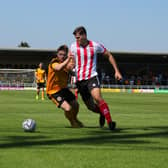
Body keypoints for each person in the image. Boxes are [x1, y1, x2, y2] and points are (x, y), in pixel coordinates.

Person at [70, 26, 122, 130]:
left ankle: (110, 122)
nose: (77, 39)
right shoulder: (73, 47)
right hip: (80, 81)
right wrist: (71, 70)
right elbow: (72, 62)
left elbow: (109, 55)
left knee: (98, 98)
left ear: (84, 35)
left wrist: (117, 71)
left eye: (78, 37)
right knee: (91, 107)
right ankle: (102, 113)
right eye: (76, 37)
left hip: (92, 77)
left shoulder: (95, 45)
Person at [46, 45, 83, 128]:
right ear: (57, 54)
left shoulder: (66, 64)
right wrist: (68, 60)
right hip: (53, 91)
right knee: (68, 108)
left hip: (63, 89)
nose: (62, 56)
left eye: (64, 55)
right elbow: (59, 68)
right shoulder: (54, 62)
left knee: (76, 105)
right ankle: (72, 122)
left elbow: (71, 72)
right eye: (60, 54)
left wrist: (76, 70)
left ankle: (75, 118)